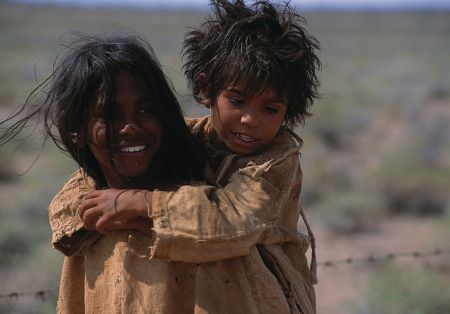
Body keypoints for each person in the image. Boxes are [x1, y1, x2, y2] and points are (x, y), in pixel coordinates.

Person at [72, 1, 322, 313]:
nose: (250, 119)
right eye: (237, 100)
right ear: (206, 88)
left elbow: (234, 222)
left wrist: (139, 204)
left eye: (270, 109)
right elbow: (84, 189)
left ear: (288, 111)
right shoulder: (187, 137)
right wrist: (82, 208)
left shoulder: (277, 160)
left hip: (264, 299)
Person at [0, 34, 206, 313]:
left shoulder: (206, 183)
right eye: (109, 116)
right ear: (77, 131)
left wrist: (142, 208)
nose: (131, 127)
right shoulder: (84, 219)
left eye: (147, 109)